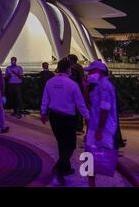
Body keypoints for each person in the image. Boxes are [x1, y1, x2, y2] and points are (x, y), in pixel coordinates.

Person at [40, 58, 89, 186]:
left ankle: (65, 168)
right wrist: (87, 117)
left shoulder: (50, 82)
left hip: (54, 117)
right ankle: (58, 168)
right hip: (68, 118)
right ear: (68, 69)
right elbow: (80, 104)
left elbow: (45, 99)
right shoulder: (72, 84)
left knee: (61, 143)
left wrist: (43, 113)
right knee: (71, 144)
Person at [84, 60, 118, 187]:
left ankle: (134, 181)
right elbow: (89, 102)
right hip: (95, 126)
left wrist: (99, 129)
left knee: (105, 155)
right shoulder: (98, 85)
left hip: (103, 127)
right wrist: (86, 87)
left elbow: (105, 109)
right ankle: (91, 183)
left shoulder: (105, 86)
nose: (89, 74)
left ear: (99, 71)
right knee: (89, 154)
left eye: (91, 71)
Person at [68, 54, 85, 134]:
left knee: (76, 109)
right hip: (79, 90)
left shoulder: (74, 68)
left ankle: (77, 126)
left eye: (68, 59)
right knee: (78, 108)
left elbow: (74, 80)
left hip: (76, 91)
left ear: (71, 60)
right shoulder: (78, 67)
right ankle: (78, 126)